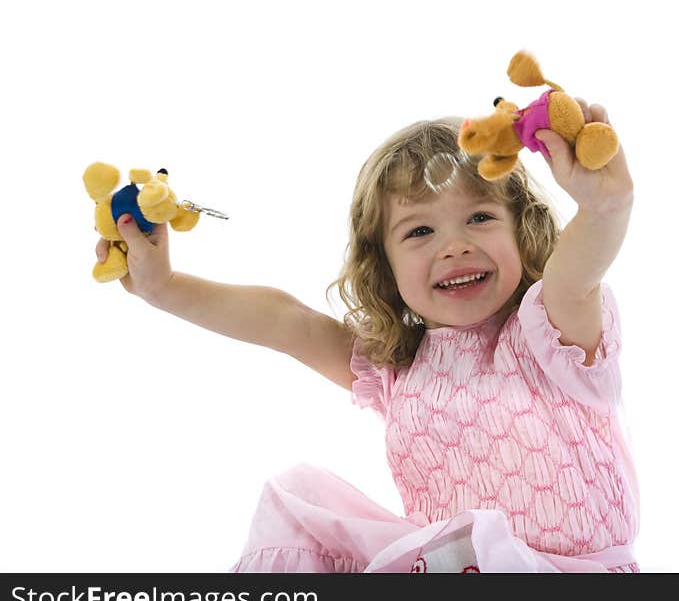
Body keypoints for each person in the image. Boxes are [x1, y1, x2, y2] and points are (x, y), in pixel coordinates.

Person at [95, 99, 638, 573]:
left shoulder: (551, 332)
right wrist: (164, 287)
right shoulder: (397, 367)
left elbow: (576, 273)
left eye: (479, 217)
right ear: (385, 264)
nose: (454, 245)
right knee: (298, 501)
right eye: (420, 231)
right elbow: (288, 322)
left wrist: (603, 207)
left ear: (521, 231)